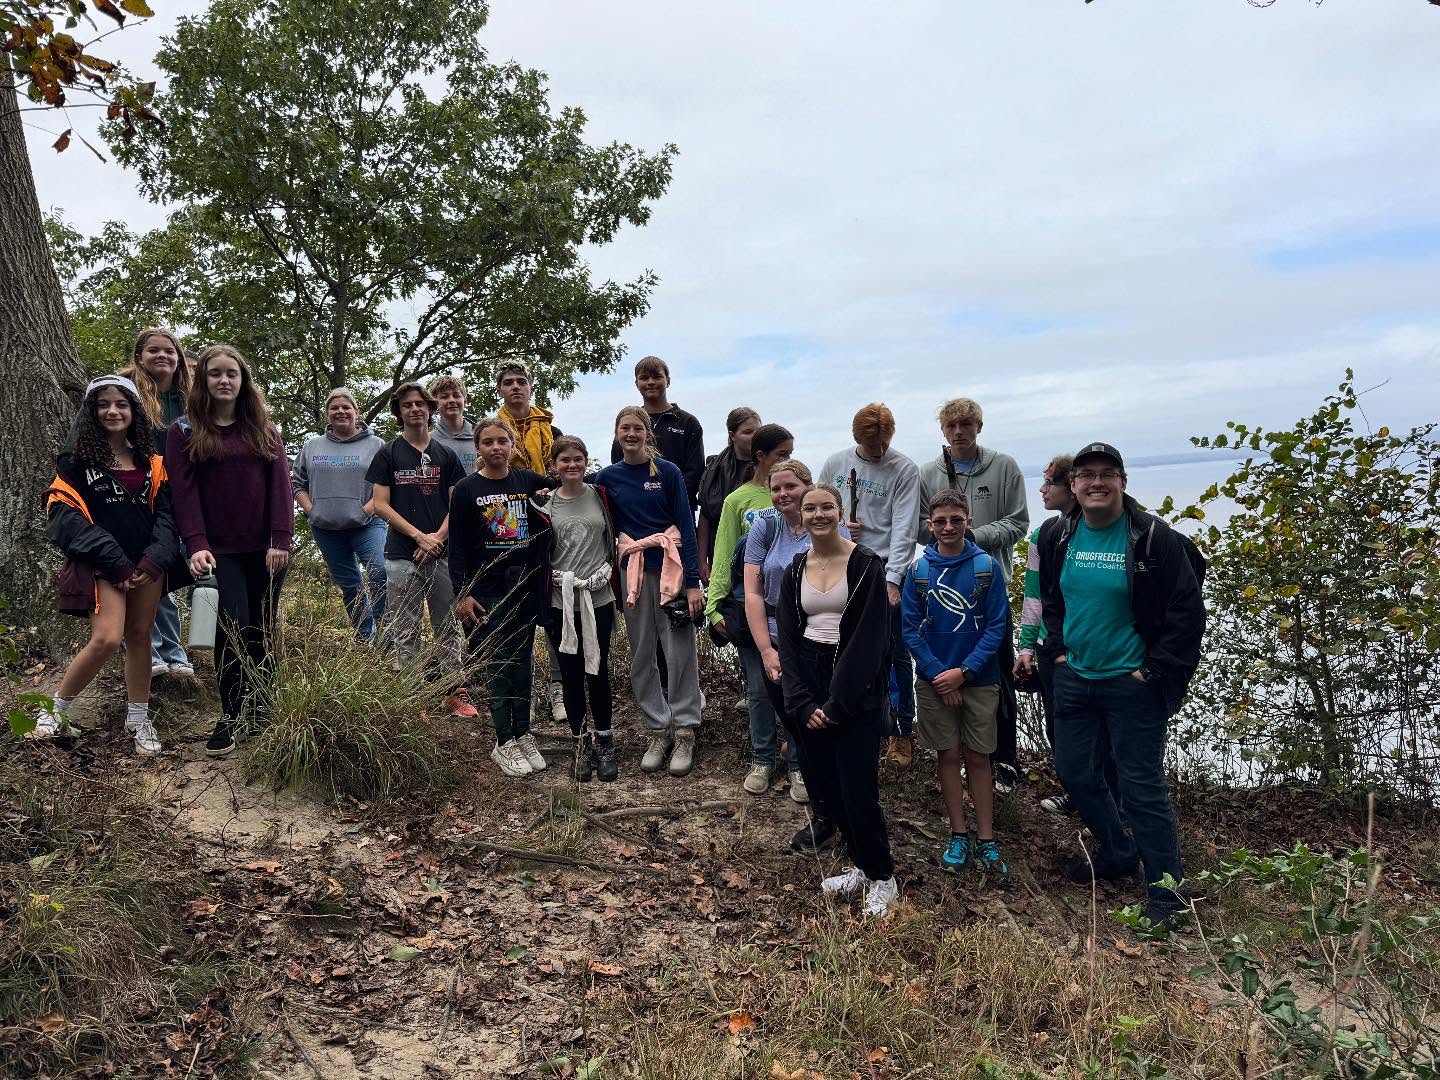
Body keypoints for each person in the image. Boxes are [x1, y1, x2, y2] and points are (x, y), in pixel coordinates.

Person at [1038, 442, 1205, 930]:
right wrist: (1059, 653)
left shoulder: (1155, 539)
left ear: (1123, 482)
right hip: (1075, 679)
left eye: (1106, 474)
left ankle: (1168, 894)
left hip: (1132, 684)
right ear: (1074, 485)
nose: (1096, 483)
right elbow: (1051, 597)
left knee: (1141, 788)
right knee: (1075, 774)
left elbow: (1187, 615)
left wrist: (1153, 671)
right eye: (1086, 475)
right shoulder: (1058, 534)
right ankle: (1116, 852)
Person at [32, 376, 183, 754]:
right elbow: (65, 517)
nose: (113, 411)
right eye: (104, 405)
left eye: (121, 404)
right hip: (105, 565)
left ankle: (139, 717)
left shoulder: (154, 463)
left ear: (134, 411)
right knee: (107, 638)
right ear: (92, 412)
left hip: (147, 565)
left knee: (139, 636)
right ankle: (55, 710)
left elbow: (168, 517)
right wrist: (115, 562)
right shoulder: (75, 464)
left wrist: (153, 560)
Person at [777, 483, 898, 918]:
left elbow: (870, 641)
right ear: (801, 516)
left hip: (854, 686)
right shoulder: (795, 569)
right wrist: (803, 703)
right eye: (810, 508)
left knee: (857, 787)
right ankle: (860, 865)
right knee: (824, 785)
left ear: (839, 511)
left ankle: (883, 875)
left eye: (826, 506)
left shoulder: (866, 565)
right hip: (808, 676)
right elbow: (788, 638)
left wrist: (837, 703)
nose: (818, 514)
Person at [166, 346, 294, 756]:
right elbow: (183, 497)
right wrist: (196, 545)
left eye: (232, 374)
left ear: (243, 381)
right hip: (219, 553)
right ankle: (231, 715)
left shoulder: (263, 429)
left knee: (262, 629)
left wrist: (279, 539)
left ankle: (262, 710)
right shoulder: (184, 431)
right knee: (233, 627)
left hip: (266, 551)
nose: (224, 380)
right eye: (215, 374)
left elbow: (281, 487)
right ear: (202, 380)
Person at [917, 397, 1028, 791]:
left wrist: (972, 537)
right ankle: (958, 756)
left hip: (987, 583)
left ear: (979, 425)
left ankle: (1002, 761)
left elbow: (1019, 523)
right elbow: (919, 527)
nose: (959, 431)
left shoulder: (1003, 466)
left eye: (966, 424)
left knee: (994, 673)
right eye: (951, 426)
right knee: (947, 670)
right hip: (941, 589)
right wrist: (948, 535)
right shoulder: (929, 472)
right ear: (943, 430)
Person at [742, 461, 852, 843]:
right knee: (798, 726)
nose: (783, 494)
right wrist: (766, 651)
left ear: (808, 488)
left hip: (820, 644)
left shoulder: (825, 528)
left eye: (791, 486)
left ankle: (843, 812)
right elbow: (753, 593)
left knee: (827, 728)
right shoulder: (765, 527)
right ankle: (824, 815)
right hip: (774, 639)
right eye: (776, 488)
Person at [902, 490, 1010, 878]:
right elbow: (911, 630)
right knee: (947, 755)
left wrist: (963, 672)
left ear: (969, 523)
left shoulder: (986, 567)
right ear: (930, 526)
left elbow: (997, 626)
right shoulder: (918, 571)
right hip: (934, 682)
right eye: (941, 521)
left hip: (979, 681)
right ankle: (958, 832)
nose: (948, 527)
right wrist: (938, 675)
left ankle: (986, 837)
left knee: (979, 757)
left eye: (956, 520)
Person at [598, 405, 705, 777]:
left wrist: (693, 582)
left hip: (670, 569)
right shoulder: (607, 478)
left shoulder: (669, 473)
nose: (630, 434)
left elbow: (687, 528)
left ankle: (686, 728)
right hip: (635, 574)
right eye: (624, 428)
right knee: (642, 652)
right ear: (616, 433)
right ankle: (658, 729)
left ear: (648, 434)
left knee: (679, 652)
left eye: (637, 428)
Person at [448, 416, 551, 776]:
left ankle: (523, 733)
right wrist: (463, 594)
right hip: (486, 591)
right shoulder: (465, 489)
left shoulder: (527, 481)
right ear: (477, 448)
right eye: (487, 442)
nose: (495, 448)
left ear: (513, 445)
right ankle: (503, 741)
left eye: (501, 441)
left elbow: (568, 486)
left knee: (523, 663)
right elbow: (457, 546)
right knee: (498, 663)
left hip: (523, 586)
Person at [819, 404, 920, 767]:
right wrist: (842, 528)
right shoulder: (836, 463)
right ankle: (839, 717)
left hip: (883, 568)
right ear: (856, 437)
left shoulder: (903, 469)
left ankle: (900, 730)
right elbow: (820, 510)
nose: (877, 451)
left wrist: (893, 580)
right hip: (842, 564)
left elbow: (905, 526)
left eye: (883, 443)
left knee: (894, 653)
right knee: (837, 647)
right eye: (870, 444)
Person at [365, 382, 473, 718]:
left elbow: (459, 503)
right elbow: (380, 505)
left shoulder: (446, 454)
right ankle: (412, 698)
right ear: (399, 413)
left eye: (420, 404)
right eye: (407, 405)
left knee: (447, 625)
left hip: (442, 553)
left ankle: (455, 691)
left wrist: (436, 539)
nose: (415, 409)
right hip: (400, 554)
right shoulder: (388, 453)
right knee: (405, 627)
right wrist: (418, 537)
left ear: (430, 409)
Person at [704, 423, 797, 795]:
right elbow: (724, 552)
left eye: (791, 455)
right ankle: (762, 758)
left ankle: (798, 763)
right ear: (761, 456)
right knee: (758, 688)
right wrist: (714, 606)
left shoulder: (797, 495)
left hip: (795, 608)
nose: (786, 462)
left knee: (795, 686)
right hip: (749, 605)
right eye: (781, 455)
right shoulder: (737, 500)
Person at [535, 435, 623, 782]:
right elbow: (538, 552)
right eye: (564, 460)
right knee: (570, 675)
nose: (572, 465)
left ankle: (604, 740)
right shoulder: (544, 505)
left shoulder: (601, 497)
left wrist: (607, 571)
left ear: (586, 462)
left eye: (578, 459)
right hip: (560, 601)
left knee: (598, 671)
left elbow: (614, 538)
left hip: (598, 597)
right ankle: (578, 742)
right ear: (553, 466)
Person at [1014, 453, 1094, 817]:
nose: (1043, 490)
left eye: (1050, 483)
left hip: (1090, 649)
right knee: (1058, 725)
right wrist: (1027, 645)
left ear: (1072, 488)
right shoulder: (1043, 535)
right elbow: (1034, 595)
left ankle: (1104, 799)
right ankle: (1075, 792)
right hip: (1051, 648)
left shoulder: (1104, 534)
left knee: (1097, 731)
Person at [125, 328, 195, 679]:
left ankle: (175, 651)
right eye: (153, 351)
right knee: (146, 565)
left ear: (179, 358)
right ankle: (149, 650)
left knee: (166, 570)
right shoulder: (128, 392)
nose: (162, 356)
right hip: (137, 494)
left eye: (169, 351)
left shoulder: (191, 398)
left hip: (180, 494)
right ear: (140, 357)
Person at [292, 388, 387, 641]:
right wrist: (312, 509)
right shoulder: (312, 446)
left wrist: (365, 510)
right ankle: (365, 637)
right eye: (334, 408)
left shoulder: (376, 445)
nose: (340, 411)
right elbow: (297, 483)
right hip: (326, 529)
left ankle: (386, 637)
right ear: (327, 414)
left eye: (346, 407)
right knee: (350, 584)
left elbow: (386, 484)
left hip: (368, 524)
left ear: (357, 412)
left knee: (380, 573)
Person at [608, 356, 705, 508]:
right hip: (637, 509)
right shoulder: (629, 423)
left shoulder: (688, 422)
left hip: (679, 507)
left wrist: (668, 497)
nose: (651, 382)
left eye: (657, 377)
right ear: (636, 384)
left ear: (668, 381)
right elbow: (618, 466)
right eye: (644, 378)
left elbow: (695, 471)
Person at [696, 407, 760, 582]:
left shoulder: (768, 467)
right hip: (721, 548)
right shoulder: (713, 470)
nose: (755, 437)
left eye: (758, 432)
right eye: (747, 432)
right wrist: (702, 560)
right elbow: (705, 516)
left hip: (759, 549)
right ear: (733, 435)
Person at [496, 360, 557, 474]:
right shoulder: (491, 433)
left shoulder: (553, 433)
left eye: (522, 382)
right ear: (499, 392)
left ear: (531, 391)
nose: (515, 387)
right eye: (508, 383)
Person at [428, 374, 478, 475]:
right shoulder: (427, 441)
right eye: (444, 396)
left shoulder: (481, 437)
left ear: (465, 401)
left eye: (456, 395)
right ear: (435, 404)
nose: (451, 400)